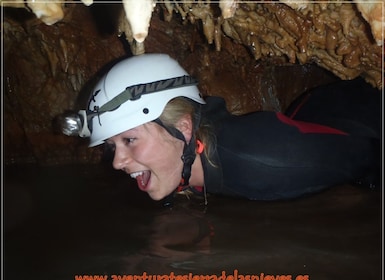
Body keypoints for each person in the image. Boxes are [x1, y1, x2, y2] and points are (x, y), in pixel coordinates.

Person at [60, 53, 381, 203]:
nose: (117, 161)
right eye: (112, 146)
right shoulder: (187, 149)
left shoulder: (269, 166)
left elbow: (370, 153)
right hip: (310, 113)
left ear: (185, 127)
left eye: (129, 140)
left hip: (359, 115)